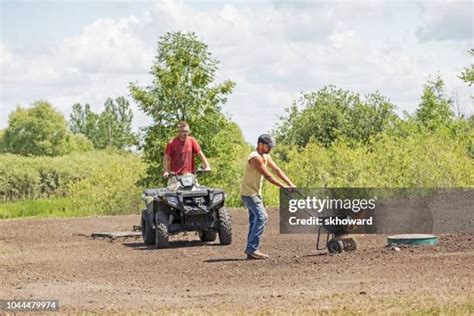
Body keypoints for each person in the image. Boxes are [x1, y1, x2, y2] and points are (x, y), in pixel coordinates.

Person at [240, 134, 295, 260]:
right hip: (249, 194)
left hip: (255, 193)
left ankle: (250, 250)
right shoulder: (255, 158)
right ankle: (252, 249)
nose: (270, 149)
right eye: (268, 146)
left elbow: (277, 170)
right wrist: (283, 187)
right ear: (260, 145)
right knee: (262, 217)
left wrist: (290, 183)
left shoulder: (266, 156)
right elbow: (268, 176)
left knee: (255, 220)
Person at [143, 121, 210, 218]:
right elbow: (166, 158)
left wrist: (207, 165)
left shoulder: (192, 141)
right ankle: (167, 220)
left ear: (189, 131)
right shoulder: (172, 142)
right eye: (182, 131)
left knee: (199, 197)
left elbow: (200, 153)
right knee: (169, 201)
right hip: (175, 177)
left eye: (186, 131)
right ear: (178, 131)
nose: (184, 133)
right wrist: (166, 171)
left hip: (190, 176)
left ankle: (201, 218)